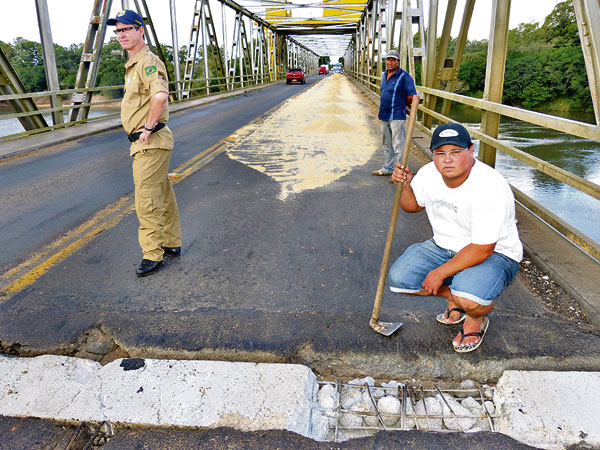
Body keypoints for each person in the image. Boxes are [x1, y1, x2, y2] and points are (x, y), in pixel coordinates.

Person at [388, 123, 522, 353]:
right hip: (443, 247)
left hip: (495, 254)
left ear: (471, 151)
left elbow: (482, 249)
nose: (447, 159)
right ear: (434, 155)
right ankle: (456, 297)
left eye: (455, 152)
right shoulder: (430, 173)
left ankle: (474, 318)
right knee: (399, 280)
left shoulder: (491, 186)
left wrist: (439, 273)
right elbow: (412, 207)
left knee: (470, 299)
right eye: (440, 153)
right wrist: (405, 186)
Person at [108, 10, 182, 277]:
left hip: (150, 142)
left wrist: (147, 129)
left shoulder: (147, 62)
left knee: (146, 199)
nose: (121, 35)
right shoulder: (134, 64)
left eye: (126, 29)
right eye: (117, 31)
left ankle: (153, 254)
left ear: (140, 30)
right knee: (162, 193)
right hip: (151, 142)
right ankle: (171, 243)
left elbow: (160, 96)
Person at [372, 49, 417, 179]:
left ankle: (400, 173)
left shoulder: (404, 76)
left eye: (393, 60)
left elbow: (412, 95)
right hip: (384, 114)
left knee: (398, 145)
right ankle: (388, 168)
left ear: (398, 61)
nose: (390, 62)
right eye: (388, 59)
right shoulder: (384, 75)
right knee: (386, 143)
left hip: (397, 115)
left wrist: (403, 104)